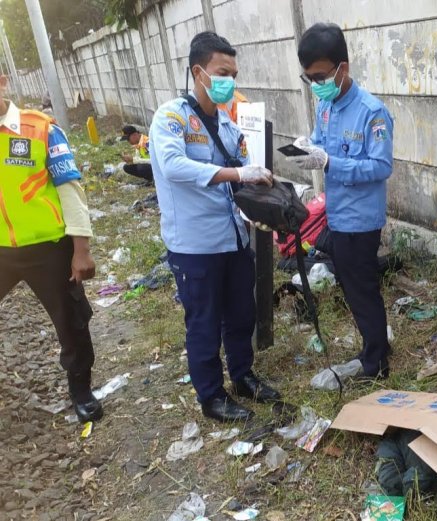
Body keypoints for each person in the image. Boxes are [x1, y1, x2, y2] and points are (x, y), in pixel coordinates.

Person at [149, 31, 280, 423]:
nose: (230, 80)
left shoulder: (226, 121)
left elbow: (241, 170)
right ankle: (211, 396)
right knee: (203, 322)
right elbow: (173, 166)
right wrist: (236, 172)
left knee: (241, 314)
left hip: (234, 237)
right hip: (194, 244)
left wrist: (261, 187)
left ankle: (242, 375)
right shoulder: (170, 118)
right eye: (223, 72)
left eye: (234, 73)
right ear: (198, 71)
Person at [288, 23, 394, 379]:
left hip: (361, 219)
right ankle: (373, 347)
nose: (316, 85)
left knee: (362, 288)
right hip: (336, 213)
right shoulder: (326, 105)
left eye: (320, 76)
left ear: (342, 68)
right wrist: (309, 147)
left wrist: (331, 162)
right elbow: (321, 141)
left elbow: (381, 166)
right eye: (310, 79)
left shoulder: (371, 112)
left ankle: (376, 362)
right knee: (352, 285)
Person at [0, 74, 103, 422]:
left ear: (2, 81)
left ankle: (81, 389)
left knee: (70, 322)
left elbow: (69, 188)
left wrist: (81, 249)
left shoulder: (41, 129)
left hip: (49, 249)